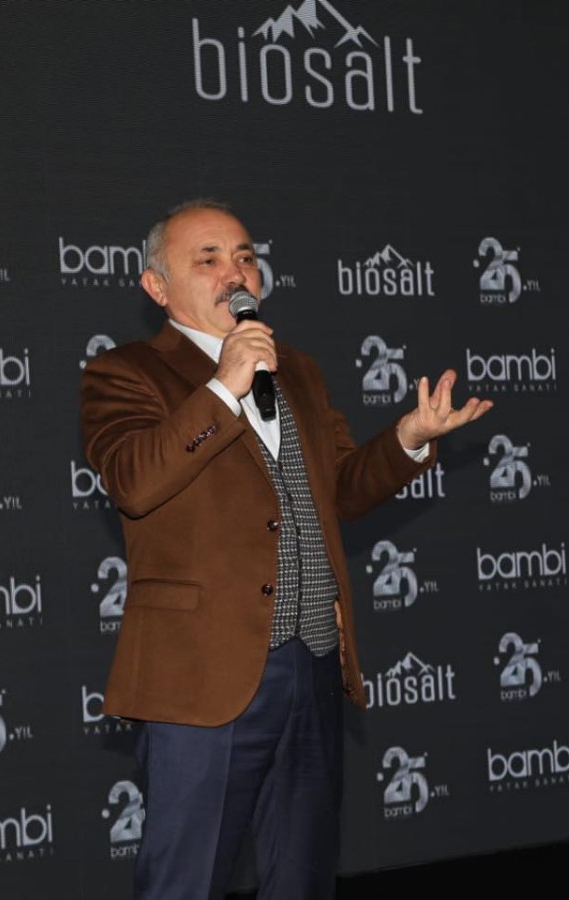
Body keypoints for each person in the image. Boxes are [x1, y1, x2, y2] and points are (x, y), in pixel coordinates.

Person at [79, 199, 492, 899]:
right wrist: (224, 386)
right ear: (157, 287)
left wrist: (408, 441)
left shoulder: (297, 370)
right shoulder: (124, 373)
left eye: (244, 256)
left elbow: (339, 491)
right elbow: (134, 482)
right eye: (207, 258)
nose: (233, 271)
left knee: (300, 877)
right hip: (202, 679)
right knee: (186, 883)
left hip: (312, 664)